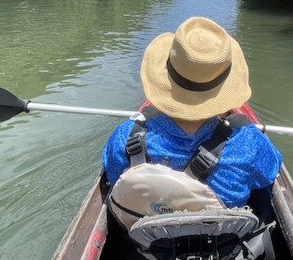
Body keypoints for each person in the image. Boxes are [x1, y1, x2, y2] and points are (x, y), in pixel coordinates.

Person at [102, 16, 282, 209]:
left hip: (143, 237)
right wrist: (242, 125)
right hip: (221, 238)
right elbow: (271, 170)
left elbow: (113, 175)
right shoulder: (249, 143)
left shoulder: (127, 137)